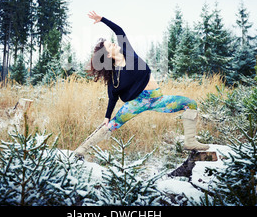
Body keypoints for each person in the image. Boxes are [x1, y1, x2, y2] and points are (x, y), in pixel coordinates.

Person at [74, 11, 209, 159]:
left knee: (190, 104)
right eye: (109, 45)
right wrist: (107, 116)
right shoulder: (115, 75)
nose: (113, 43)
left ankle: (190, 141)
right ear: (107, 55)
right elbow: (112, 97)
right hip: (136, 103)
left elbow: (119, 31)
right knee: (110, 126)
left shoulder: (129, 53)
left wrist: (102, 20)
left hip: (157, 99)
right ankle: (81, 150)